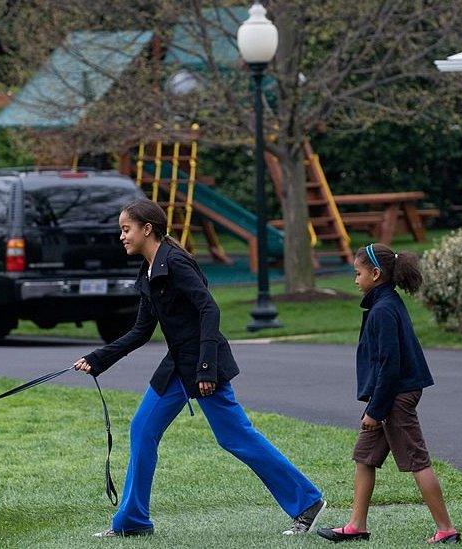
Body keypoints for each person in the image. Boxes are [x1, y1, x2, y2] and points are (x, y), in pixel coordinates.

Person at [73, 198, 326, 538]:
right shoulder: (149, 269)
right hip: (177, 366)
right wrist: (97, 359)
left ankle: (307, 502)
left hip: (205, 367)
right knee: (142, 429)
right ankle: (132, 521)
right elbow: (140, 332)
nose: (122, 236)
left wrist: (206, 368)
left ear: (147, 229)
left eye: (126, 229)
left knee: (236, 437)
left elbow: (210, 311)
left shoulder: (176, 263)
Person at [317, 244, 458, 544]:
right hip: (387, 397)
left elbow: (389, 366)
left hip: (394, 397)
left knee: (417, 459)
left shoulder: (383, 310)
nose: (355, 280)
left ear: (375, 274)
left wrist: (375, 411)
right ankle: (357, 525)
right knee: (365, 457)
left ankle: (446, 529)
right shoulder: (385, 303)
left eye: (358, 274)